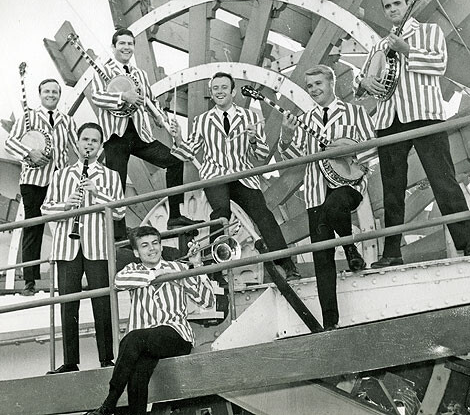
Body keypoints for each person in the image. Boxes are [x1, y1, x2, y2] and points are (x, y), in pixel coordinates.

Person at [354, 0, 470, 268]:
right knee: (392, 190)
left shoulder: (429, 32)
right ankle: (391, 253)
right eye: (387, 6)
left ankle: (468, 242)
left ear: (408, 3)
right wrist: (362, 82)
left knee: (444, 180)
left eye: (396, 4)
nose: (392, 10)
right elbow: (363, 81)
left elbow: (439, 64)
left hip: (425, 115)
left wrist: (406, 50)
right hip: (390, 121)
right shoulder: (379, 44)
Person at [170, 71, 300, 281]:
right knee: (221, 214)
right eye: (215, 89)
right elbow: (189, 151)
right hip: (215, 175)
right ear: (211, 94)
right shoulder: (203, 120)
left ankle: (286, 264)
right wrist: (177, 138)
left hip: (243, 175)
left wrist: (252, 141)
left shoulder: (251, 117)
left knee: (263, 215)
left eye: (223, 88)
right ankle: (215, 270)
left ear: (233, 91)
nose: (219, 92)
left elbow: (262, 154)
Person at [279, 65, 376, 330]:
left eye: (319, 83)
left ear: (331, 83)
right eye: (310, 86)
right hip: (315, 190)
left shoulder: (355, 113)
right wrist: (286, 137)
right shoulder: (304, 120)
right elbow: (292, 158)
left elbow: (370, 150)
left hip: (349, 186)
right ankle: (330, 322)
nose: (314, 90)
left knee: (336, 208)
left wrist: (356, 168)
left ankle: (349, 247)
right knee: (322, 258)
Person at [85, 225, 214, 415]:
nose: (152, 248)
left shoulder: (177, 268)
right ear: (136, 252)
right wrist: (155, 274)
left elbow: (208, 301)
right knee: (138, 373)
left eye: (155, 243)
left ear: (161, 246)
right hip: (145, 344)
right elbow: (118, 281)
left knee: (132, 338)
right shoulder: (132, 270)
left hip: (175, 335)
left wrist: (196, 267)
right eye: (145, 245)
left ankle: (109, 404)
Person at [91, 28, 200, 240]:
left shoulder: (140, 74)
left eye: (130, 44)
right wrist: (123, 96)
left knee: (175, 161)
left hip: (140, 135)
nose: (126, 47)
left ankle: (175, 216)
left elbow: (150, 100)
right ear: (113, 47)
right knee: (116, 185)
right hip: (116, 137)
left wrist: (161, 117)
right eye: (121, 43)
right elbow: (97, 97)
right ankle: (118, 234)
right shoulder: (102, 71)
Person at [42, 122, 125, 373]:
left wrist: (97, 194)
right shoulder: (60, 175)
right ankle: (70, 362)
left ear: (100, 148)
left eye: (94, 141)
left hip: (98, 247)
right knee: (68, 304)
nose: (89, 144)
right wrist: (67, 205)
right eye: (85, 140)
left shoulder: (110, 176)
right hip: (67, 247)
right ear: (77, 143)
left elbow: (120, 210)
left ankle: (106, 358)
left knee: (102, 302)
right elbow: (46, 209)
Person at [4, 78, 77, 296]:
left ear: (59, 95)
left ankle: (67, 276)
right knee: (34, 226)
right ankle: (29, 281)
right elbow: (9, 142)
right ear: (40, 93)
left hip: (59, 180)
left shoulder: (67, 121)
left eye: (55, 91)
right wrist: (29, 153)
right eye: (47, 91)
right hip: (33, 181)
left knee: (66, 225)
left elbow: (78, 145)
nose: (51, 95)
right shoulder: (28, 117)